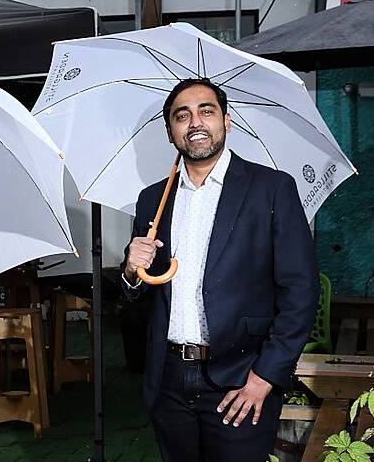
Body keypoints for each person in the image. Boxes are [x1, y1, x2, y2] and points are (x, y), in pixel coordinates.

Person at [121, 78, 318, 462]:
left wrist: (265, 378)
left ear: (226, 121)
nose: (195, 122)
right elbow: (137, 295)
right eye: (182, 115)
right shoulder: (151, 201)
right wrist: (131, 270)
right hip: (169, 380)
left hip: (242, 378)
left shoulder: (272, 188)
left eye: (206, 111)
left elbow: (300, 292)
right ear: (170, 132)